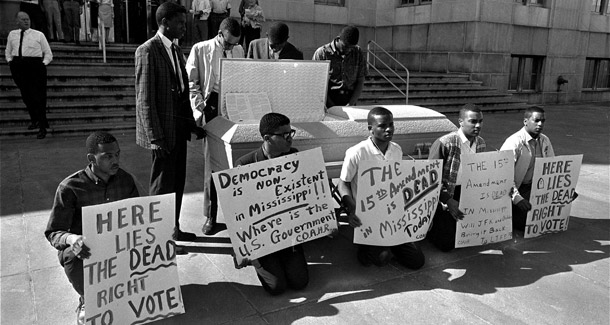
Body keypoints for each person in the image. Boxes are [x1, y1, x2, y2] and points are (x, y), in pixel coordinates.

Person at [45, 131, 139, 324]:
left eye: (117, 154)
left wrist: (161, 230)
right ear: (92, 158)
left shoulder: (126, 180)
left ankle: (124, 290)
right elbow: (54, 232)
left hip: (119, 244)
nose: (116, 160)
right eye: (108, 156)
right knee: (71, 254)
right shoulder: (70, 187)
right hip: (88, 249)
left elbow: (140, 216)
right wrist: (72, 239)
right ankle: (87, 299)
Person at [135, 2, 206, 245]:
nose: (184, 28)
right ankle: (160, 240)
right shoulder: (147, 50)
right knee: (162, 188)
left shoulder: (176, 51)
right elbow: (144, 99)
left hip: (178, 130)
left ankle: (173, 229)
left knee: (177, 183)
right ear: (164, 23)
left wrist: (192, 124)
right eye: (179, 23)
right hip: (162, 134)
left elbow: (182, 92)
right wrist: (154, 137)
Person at [338, 107, 425, 269]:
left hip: (391, 214)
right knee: (380, 259)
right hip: (368, 216)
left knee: (417, 261)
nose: (389, 129)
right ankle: (366, 248)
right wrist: (352, 209)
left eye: (391, 124)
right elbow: (343, 184)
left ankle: (391, 243)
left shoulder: (396, 150)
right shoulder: (357, 152)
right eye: (382, 126)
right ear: (370, 129)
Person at [233, 112, 309, 295]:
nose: (290, 139)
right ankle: (260, 262)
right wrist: (242, 249)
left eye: (291, 133)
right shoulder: (245, 165)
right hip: (261, 240)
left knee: (300, 283)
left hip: (288, 236)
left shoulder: (294, 156)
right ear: (267, 138)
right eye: (284, 135)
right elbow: (237, 211)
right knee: (277, 287)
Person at [186, 17, 244, 235]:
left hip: (233, 107)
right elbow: (192, 83)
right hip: (210, 105)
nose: (231, 47)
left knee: (235, 161)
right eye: (228, 43)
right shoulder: (200, 49)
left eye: (234, 44)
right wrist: (199, 108)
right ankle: (211, 215)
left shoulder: (238, 50)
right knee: (213, 163)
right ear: (220, 34)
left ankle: (238, 214)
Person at [427, 103, 486, 252]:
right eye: (473, 121)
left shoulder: (481, 143)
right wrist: (447, 199)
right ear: (460, 121)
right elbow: (430, 178)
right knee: (446, 244)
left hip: (468, 193)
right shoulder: (445, 142)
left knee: (473, 237)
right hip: (446, 195)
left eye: (480, 121)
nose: (477, 125)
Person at [500, 106, 556, 231]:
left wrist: (564, 189)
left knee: (546, 218)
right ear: (525, 121)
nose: (540, 124)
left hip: (534, 188)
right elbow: (503, 175)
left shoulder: (545, 140)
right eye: (536, 120)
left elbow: (553, 167)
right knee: (525, 224)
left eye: (543, 121)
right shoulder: (514, 142)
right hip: (515, 190)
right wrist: (517, 198)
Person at [5, 11, 52, 139]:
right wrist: (10, 62)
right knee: (26, 96)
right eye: (23, 19)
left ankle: (42, 126)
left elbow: (48, 53)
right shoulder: (12, 35)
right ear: (17, 21)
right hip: (19, 66)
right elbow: (8, 50)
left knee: (39, 97)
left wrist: (43, 64)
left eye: (28, 19)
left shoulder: (38, 35)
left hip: (35, 66)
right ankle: (34, 120)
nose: (26, 21)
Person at [313, 25, 367, 108]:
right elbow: (317, 83)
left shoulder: (358, 52)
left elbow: (360, 80)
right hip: (328, 99)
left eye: (351, 48)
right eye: (345, 47)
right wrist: (331, 106)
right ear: (338, 39)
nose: (348, 50)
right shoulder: (322, 53)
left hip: (350, 99)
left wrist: (351, 104)